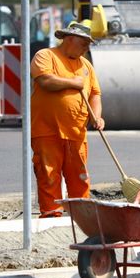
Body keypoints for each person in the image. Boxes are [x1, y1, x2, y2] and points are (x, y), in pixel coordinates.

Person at [30, 22, 105, 218]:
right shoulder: (46, 56)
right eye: (84, 43)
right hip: (46, 130)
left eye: (88, 44)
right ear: (70, 39)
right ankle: (51, 213)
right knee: (48, 173)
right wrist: (73, 83)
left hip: (76, 131)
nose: (86, 48)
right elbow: (44, 81)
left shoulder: (86, 66)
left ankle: (82, 215)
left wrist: (96, 116)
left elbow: (95, 94)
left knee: (79, 176)